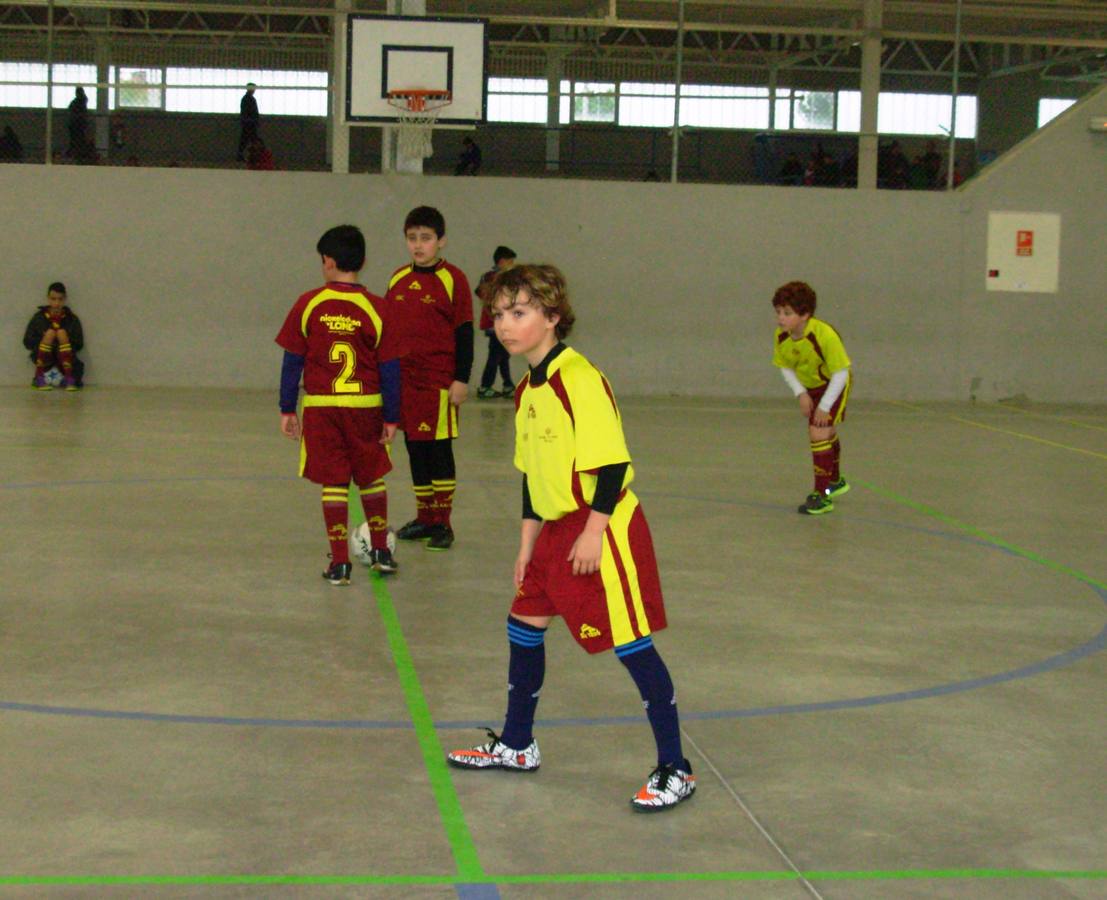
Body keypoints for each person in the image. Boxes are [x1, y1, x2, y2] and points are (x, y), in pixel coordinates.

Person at [446, 265, 696, 812]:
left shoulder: (578, 377)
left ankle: (677, 767)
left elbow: (613, 463)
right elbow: (532, 478)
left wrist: (594, 532)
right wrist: (527, 545)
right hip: (555, 530)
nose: (504, 325)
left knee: (632, 645)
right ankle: (517, 744)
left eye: (519, 313)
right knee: (523, 626)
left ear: (552, 317)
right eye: (498, 314)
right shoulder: (525, 390)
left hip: (602, 526)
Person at [275, 225, 401, 584]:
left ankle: (341, 564)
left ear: (328, 261)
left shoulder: (309, 303)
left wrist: (287, 407)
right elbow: (390, 369)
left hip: (322, 408)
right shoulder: (377, 308)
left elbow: (292, 361)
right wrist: (392, 416)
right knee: (371, 477)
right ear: (363, 261)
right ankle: (381, 551)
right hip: (366, 406)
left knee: (334, 482)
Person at [383, 207, 473, 551]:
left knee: (438, 451)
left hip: (439, 384)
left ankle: (443, 523)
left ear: (441, 241)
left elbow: (464, 333)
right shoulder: (397, 279)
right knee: (415, 448)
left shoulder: (454, 279)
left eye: (426, 238)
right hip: (405, 383)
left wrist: (461, 378)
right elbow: (387, 332)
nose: (418, 245)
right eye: (412, 238)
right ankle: (424, 517)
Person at [771, 281, 851, 515]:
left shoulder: (824, 335)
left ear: (805, 315)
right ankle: (835, 482)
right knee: (826, 432)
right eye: (778, 312)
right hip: (811, 387)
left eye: (787, 313)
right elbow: (785, 367)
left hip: (833, 384)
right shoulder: (781, 336)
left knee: (818, 431)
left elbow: (841, 373)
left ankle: (822, 495)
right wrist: (801, 393)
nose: (781, 318)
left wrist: (824, 406)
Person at [23, 282, 84, 390]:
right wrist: (45, 339)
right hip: (45, 360)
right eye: (53, 299)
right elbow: (27, 341)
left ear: (65, 299)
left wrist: (63, 342)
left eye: (60, 299)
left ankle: (69, 378)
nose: (56, 303)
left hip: (65, 361)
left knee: (61, 333)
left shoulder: (71, 319)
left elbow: (79, 344)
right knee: (50, 333)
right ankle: (39, 378)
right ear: (48, 298)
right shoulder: (39, 318)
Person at [475, 245, 516, 399]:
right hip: (495, 323)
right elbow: (483, 293)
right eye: (510, 261)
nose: (512, 265)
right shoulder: (492, 277)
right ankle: (485, 386)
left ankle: (507, 385)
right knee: (495, 355)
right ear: (502, 261)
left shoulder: (504, 278)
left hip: (502, 323)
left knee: (503, 355)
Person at [237, 82, 260, 162]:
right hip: (249, 123)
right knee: (249, 140)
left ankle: (250, 156)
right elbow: (248, 112)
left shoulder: (249, 99)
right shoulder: (248, 99)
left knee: (247, 140)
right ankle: (251, 156)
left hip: (249, 122)